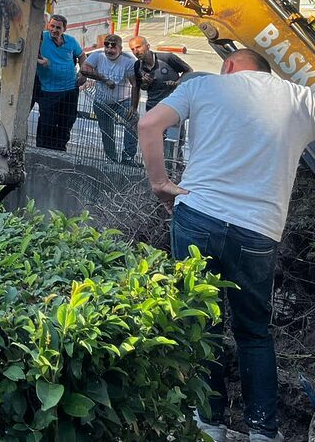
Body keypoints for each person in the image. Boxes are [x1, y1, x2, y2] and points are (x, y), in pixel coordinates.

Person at [139, 49, 315, 442]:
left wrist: (160, 185)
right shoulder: (301, 100)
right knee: (254, 331)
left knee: (202, 325)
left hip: (197, 217)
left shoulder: (205, 87)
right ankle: (262, 431)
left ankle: (208, 423)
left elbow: (149, 125)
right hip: (257, 231)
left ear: (232, 65)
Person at [81, 33, 139, 164]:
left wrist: (133, 107)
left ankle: (128, 157)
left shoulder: (128, 61)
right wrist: (104, 79)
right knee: (107, 131)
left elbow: (135, 84)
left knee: (132, 122)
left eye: (113, 47)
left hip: (123, 100)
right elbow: (84, 70)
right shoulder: (98, 56)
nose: (109, 50)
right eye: (107, 46)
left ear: (120, 48)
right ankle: (111, 158)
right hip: (102, 101)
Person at [34, 14, 84, 151]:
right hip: (49, 90)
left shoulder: (71, 41)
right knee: (47, 122)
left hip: (70, 89)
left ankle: (60, 148)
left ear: (64, 29)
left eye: (58, 27)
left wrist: (83, 73)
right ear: (48, 26)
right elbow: (27, 53)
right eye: (52, 26)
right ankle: (42, 150)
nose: (54, 30)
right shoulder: (41, 37)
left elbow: (81, 55)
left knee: (66, 121)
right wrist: (40, 61)